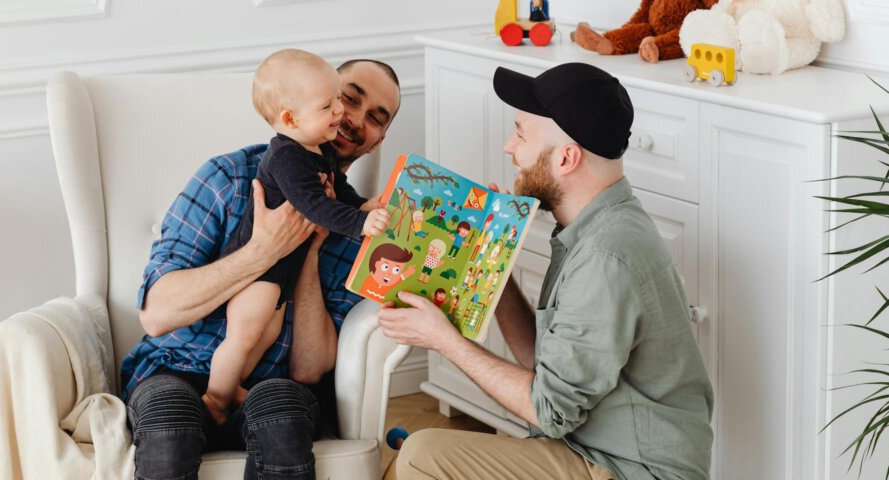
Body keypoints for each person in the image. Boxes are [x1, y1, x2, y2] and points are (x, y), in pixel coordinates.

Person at [378, 63, 714, 480]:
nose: (508, 147)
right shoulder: (592, 227)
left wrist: (442, 340)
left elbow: (550, 410)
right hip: (593, 449)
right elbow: (547, 365)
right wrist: (491, 266)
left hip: (631, 469)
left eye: (520, 133)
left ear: (566, 158)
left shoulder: (606, 256)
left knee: (421, 454)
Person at [120, 57, 401, 480]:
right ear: (307, 103)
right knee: (168, 416)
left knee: (282, 413)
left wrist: (308, 249)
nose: (352, 118)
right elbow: (157, 314)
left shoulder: (356, 230)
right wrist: (262, 251)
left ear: (376, 142)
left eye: (375, 118)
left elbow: (310, 368)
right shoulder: (230, 177)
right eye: (346, 99)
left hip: (272, 386)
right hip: (175, 368)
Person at [201, 49, 389, 424]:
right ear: (290, 117)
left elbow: (341, 192)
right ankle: (216, 398)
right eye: (333, 103)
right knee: (244, 333)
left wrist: (365, 205)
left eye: (337, 99)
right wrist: (357, 223)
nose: (341, 113)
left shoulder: (319, 151)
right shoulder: (287, 157)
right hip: (258, 271)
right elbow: (313, 205)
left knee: (264, 333)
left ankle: (234, 384)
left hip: (280, 276)